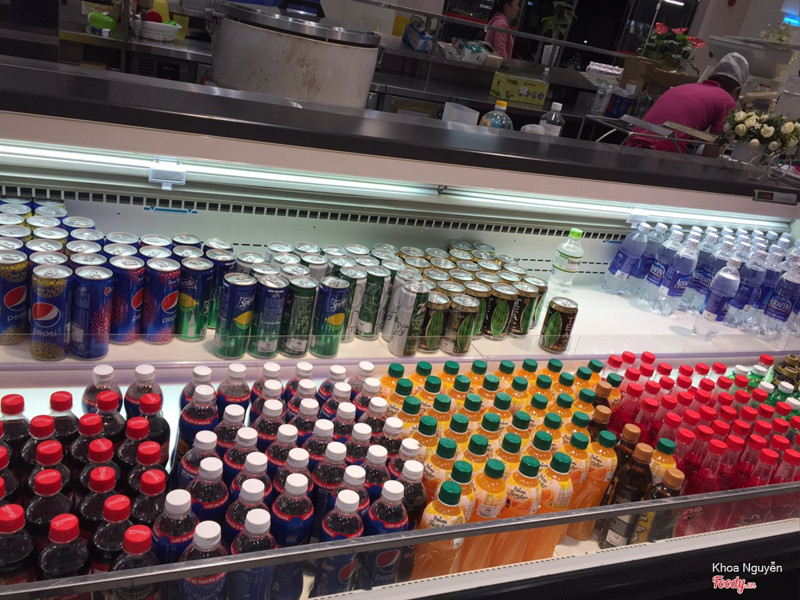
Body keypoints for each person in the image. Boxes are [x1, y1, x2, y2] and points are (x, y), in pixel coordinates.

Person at [626, 52, 750, 155]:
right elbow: (710, 153)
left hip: (630, 143)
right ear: (737, 90)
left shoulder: (684, 87)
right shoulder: (727, 100)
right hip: (662, 153)